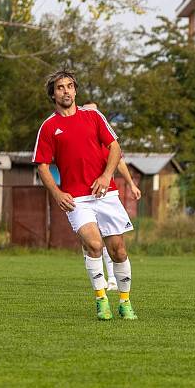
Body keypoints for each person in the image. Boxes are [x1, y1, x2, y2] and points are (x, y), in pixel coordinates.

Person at [32, 70, 137, 321]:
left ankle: (125, 302)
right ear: (53, 94)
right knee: (93, 244)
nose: (66, 91)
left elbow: (114, 147)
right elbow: (42, 165)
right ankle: (101, 300)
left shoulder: (93, 116)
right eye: (60, 87)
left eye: (69, 86)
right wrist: (57, 193)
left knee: (119, 251)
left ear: (76, 90)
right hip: (76, 199)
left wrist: (105, 176)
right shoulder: (48, 127)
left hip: (106, 193)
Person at [81, 102, 142, 291]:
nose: (93, 113)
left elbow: (120, 162)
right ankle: (99, 278)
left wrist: (131, 184)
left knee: (111, 240)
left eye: (96, 111)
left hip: (105, 196)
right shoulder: (81, 137)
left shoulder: (105, 139)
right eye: (89, 110)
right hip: (83, 197)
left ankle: (113, 279)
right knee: (92, 241)